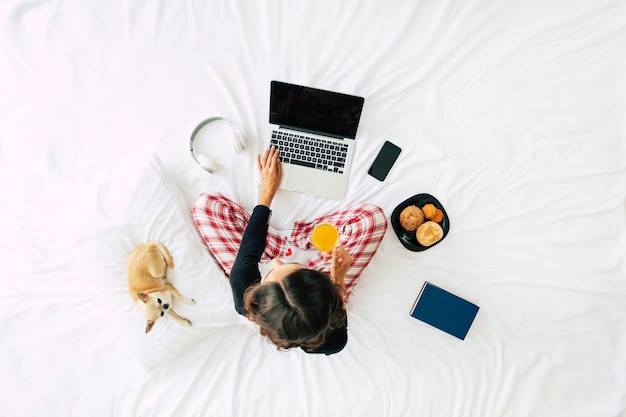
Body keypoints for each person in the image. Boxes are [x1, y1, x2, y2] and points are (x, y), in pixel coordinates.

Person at [192, 147, 387, 355]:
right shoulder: (334, 340)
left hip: (268, 249)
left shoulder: (245, 293)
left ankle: (287, 242)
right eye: (287, 268)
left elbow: (250, 248)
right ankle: (302, 237)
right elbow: (335, 302)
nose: (276, 262)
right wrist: (338, 281)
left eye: (270, 275)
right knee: (372, 220)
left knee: (206, 206)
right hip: (324, 288)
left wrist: (267, 193)